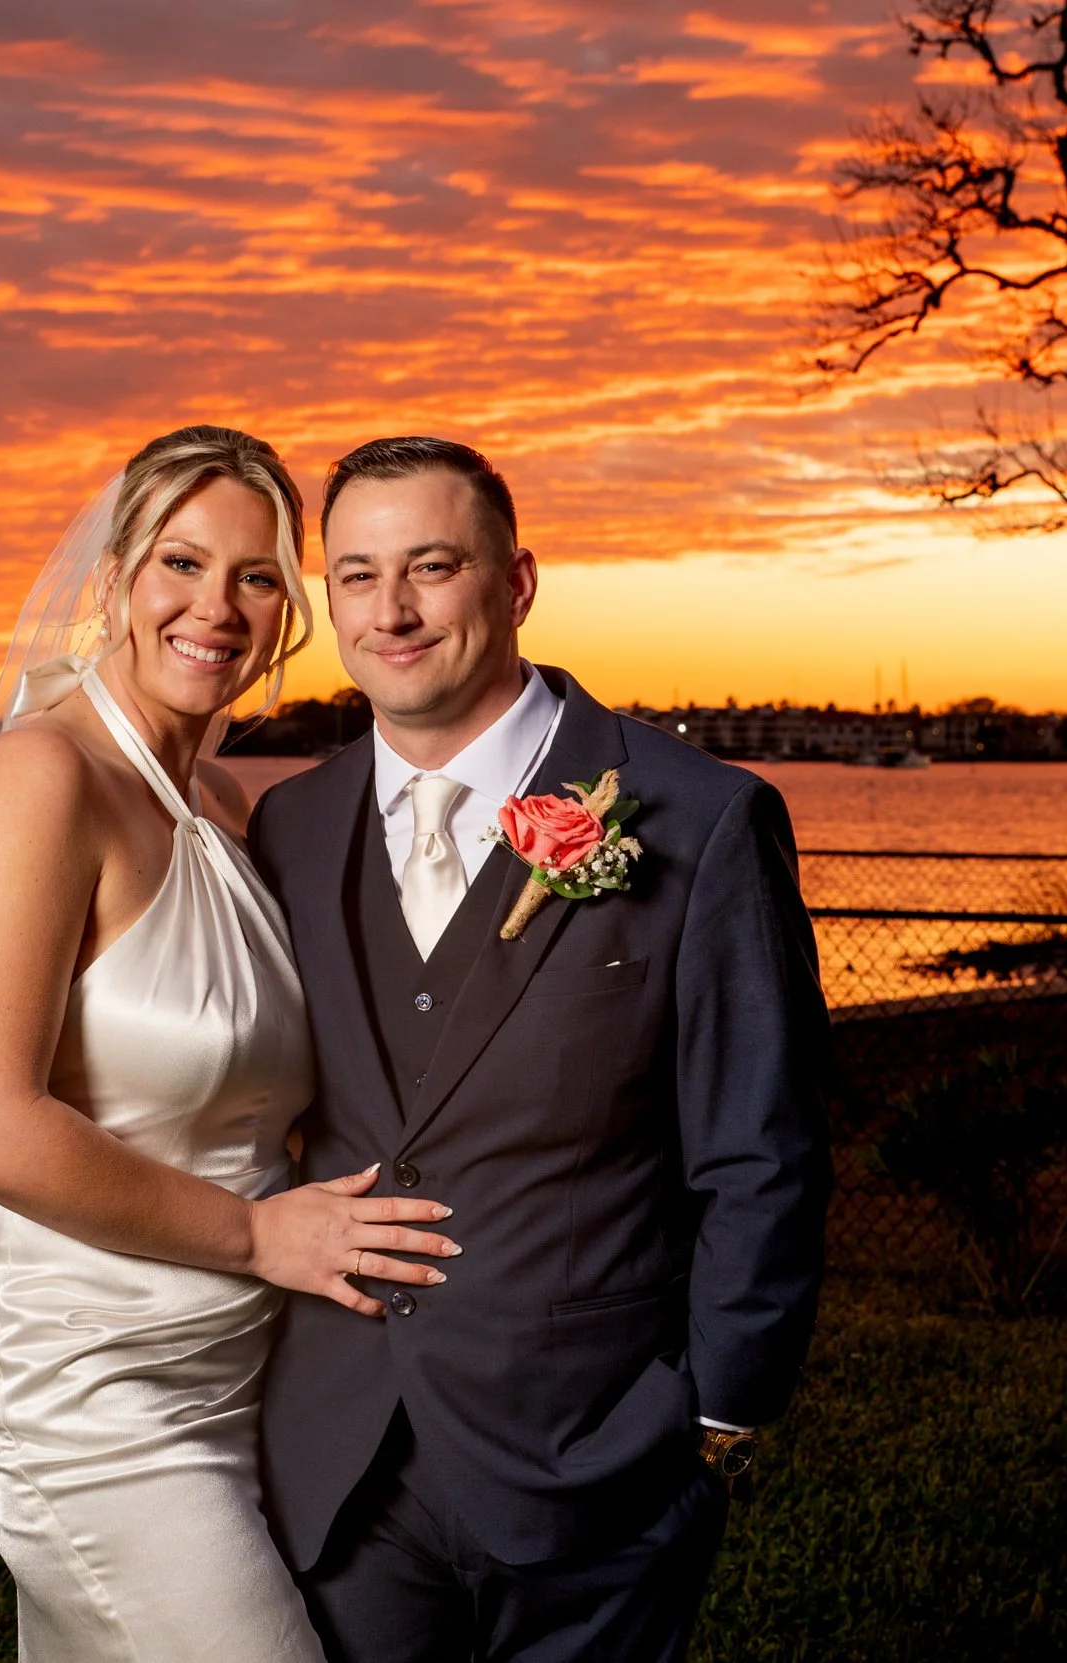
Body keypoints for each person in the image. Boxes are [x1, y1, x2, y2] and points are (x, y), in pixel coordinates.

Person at [0, 426, 459, 1663]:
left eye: (254, 576)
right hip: (82, 1383)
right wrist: (252, 1233)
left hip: (237, 1364)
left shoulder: (228, 809)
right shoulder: (41, 779)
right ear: (117, 572)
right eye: (181, 561)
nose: (216, 607)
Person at [246, 436, 834, 1663]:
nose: (391, 611)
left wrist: (714, 1406)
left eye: (432, 566)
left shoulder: (699, 816)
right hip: (342, 1452)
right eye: (355, 576)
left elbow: (761, 1144)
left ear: (515, 582)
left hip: (595, 1451)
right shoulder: (290, 826)